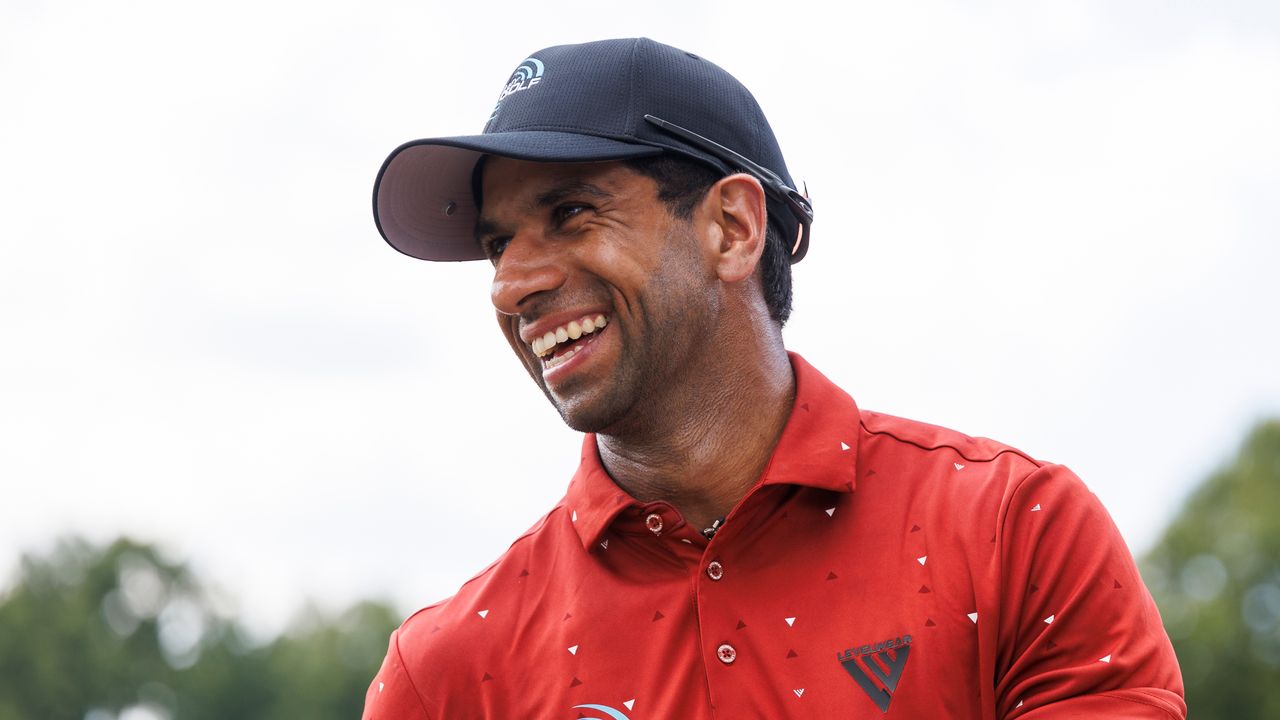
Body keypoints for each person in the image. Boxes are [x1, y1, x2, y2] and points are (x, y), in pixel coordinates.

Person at [362, 38, 1185, 719]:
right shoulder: (445, 675)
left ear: (733, 227)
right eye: (499, 245)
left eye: (572, 213)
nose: (511, 286)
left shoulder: (1016, 533)